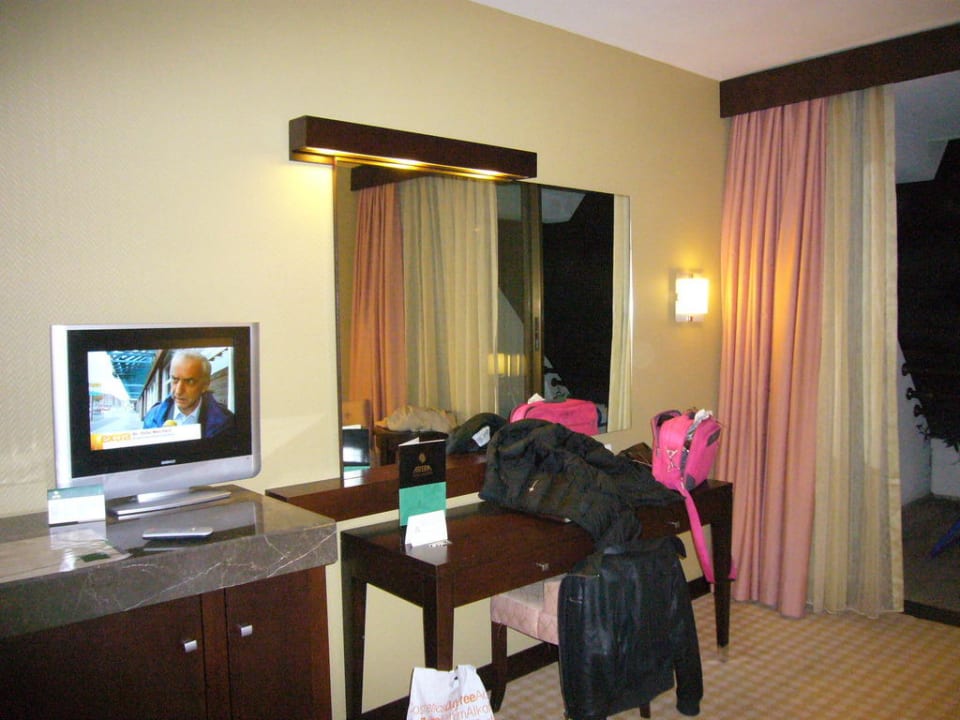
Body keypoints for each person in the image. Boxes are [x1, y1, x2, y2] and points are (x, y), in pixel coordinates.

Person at [142, 350, 235, 438]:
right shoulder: (152, 417)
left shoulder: (226, 423)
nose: (178, 391)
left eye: (190, 382)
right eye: (175, 379)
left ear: (205, 385)